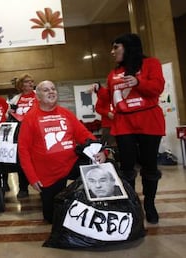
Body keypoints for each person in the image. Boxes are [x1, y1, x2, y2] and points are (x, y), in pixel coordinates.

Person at [18, 80, 107, 223]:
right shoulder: (30, 118)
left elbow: (84, 135)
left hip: (70, 165)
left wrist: (101, 150)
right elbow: (23, 150)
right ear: (38, 97)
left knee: (104, 166)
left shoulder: (66, 113)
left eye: (53, 89)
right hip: (48, 174)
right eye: (46, 90)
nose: (51, 91)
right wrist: (32, 178)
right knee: (52, 218)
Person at [99, 33, 165, 224]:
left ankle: (150, 205)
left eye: (116, 47)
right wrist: (99, 90)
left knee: (149, 165)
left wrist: (139, 82)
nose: (112, 52)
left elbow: (157, 88)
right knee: (126, 167)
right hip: (123, 123)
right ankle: (131, 204)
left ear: (128, 47)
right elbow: (111, 97)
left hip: (149, 121)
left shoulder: (151, 63)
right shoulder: (113, 73)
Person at [8, 73, 39, 199]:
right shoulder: (16, 99)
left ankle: (43, 186)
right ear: (21, 85)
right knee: (22, 162)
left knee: (39, 161)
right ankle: (23, 188)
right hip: (21, 135)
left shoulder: (39, 95)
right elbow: (9, 116)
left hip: (37, 134)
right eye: (27, 81)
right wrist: (9, 112)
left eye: (31, 81)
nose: (30, 83)